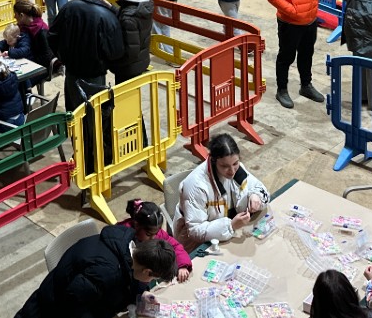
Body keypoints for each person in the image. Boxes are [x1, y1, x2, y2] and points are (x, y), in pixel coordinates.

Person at [14, 227, 176, 318]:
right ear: (147, 271)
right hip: (47, 311)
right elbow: (74, 307)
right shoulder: (105, 273)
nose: (149, 282)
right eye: (152, 278)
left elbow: (130, 278)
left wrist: (141, 294)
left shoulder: (129, 247)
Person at [175, 133, 270, 250]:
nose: (232, 171)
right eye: (225, 166)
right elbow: (195, 230)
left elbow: (258, 187)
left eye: (235, 163)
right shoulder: (196, 186)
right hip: (199, 245)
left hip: (231, 233)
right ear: (214, 161)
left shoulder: (237, 169)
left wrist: (256, 196)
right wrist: (231, 226)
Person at [267, 0, 327, 108]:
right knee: (286, 57)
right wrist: (293, 11)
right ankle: (282, 90)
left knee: (307, 54)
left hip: (310, 20)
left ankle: (306, 85)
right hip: (290, 23)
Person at [48, 0, 123, 113]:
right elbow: (115, 51)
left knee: (73, 112)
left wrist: (63, 57)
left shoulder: (69, 7)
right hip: (95, 75)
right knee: (93, 114)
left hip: (72, 72)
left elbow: (52, 35)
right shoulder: (108, 16)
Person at [119, 199, 192, 282]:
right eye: (149, 234)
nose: (153, 238)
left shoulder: (156, 234)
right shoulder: (122, 238)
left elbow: (175, 246)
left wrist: (182, 265)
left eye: (156, 233)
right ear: (137, 225)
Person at [110, 0, 153, 84]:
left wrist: (113, 63)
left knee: (125, 95)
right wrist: (112, 8)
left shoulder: (128, 18)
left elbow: (130, 52)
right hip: (141, 60)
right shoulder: (144, 1)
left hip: (128, 69)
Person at [12, 0, 56, 74]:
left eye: (15, 14)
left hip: (41, 67)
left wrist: (27, 60)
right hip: (27, 61)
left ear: (21, 15)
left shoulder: (42, 31)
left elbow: (46, 57)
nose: (14, 17)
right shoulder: (23, 27)